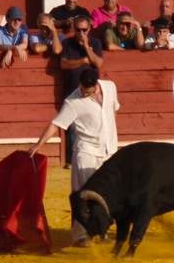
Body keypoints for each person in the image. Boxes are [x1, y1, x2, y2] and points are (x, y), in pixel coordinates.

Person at [29, 68, 120, 247]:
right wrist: (39, 144)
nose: (84, 92)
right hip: (85, 151)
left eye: (89, 90)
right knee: (82, 194)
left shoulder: (110, 87)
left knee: (107, 194)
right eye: (83, 89)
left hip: (108, 149)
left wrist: (110, 134)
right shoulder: (72, 101)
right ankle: (80, 235)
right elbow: (56, 124)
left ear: (97, 85)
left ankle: (101, 231)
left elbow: (113, 110)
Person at [60, 16, 105, 98]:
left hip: (91, 90)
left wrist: (86, 47)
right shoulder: (67, 43)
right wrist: (83, 60)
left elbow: (98, 63)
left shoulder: (95, 42)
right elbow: (63, 64)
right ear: (74, 28)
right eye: (78, 30)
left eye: (84, 30)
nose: (81, 33)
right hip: (72, 90)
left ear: (89, 28)